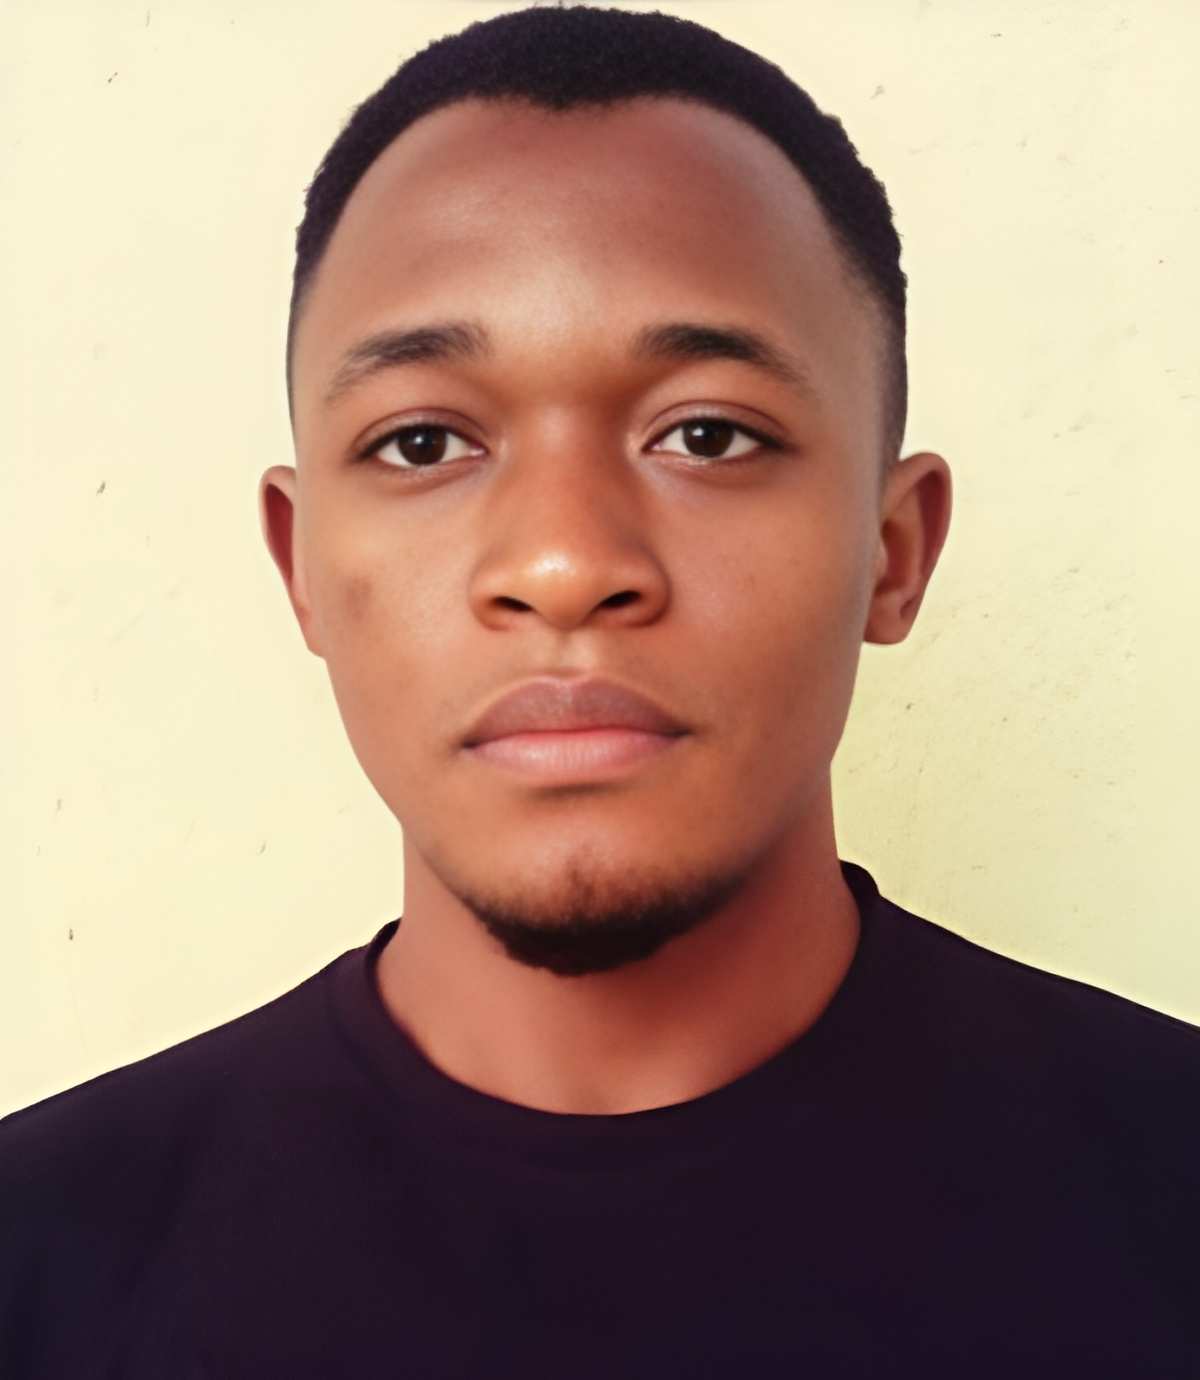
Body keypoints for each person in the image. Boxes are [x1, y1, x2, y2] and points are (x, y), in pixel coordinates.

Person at [2, 7, 1197, 1376]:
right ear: (301, 569)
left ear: (894, 549)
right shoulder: (41, 1261)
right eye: (424, 441)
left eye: (707, 433)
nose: (564, 564)